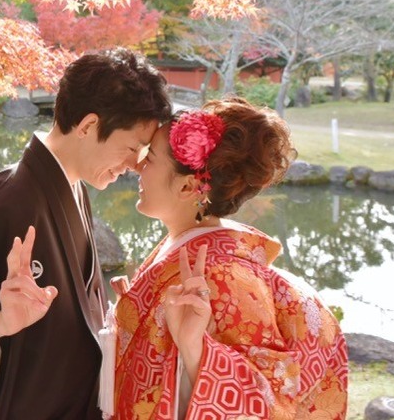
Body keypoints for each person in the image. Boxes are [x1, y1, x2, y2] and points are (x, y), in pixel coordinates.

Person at [0, 49, 172, 420]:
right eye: (133, 147)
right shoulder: (5, 202)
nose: (136, 164)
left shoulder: (74, 187)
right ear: (88, 126)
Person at [109, 97, 348, 420]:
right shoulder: (191, 247)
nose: (137, 167)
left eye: (149, 159)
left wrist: (197, 351)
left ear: (188, 186)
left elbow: (263, 404)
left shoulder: (224, 276)